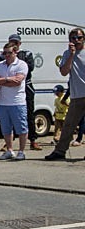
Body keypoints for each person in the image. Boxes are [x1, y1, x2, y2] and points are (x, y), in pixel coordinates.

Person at [45, 27, 85, 160]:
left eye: (79, 38)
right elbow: (64, 72)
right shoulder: (67, 54)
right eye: (73, 38)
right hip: (77, 95)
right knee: (68, 125)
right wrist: (72, 55)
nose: (77, 40)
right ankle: (60, 151)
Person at [0, 34, 43, 151]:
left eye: (16, 42)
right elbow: (0, 71)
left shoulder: (26, 54)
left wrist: (16, 61)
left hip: (26, 86)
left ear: (20, 44)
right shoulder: (3, 54)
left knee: (29, 113)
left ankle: (33, 140)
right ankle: (9, 143)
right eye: (12, 42)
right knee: (10, 115)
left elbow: (30, 68)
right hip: (8, 87)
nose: (14, 44)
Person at [0, 42, 29, 160]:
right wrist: (8, 79)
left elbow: (17, 82)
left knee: (21, 128)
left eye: (9, 53)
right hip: (3, 103)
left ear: (15, 52)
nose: (6, 55)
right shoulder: (0, 65)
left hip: (18, 102)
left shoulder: (21, 65)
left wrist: (2, 80)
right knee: (6, 128)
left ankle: (21, 151)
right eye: (5, 53)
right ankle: (9, 150)